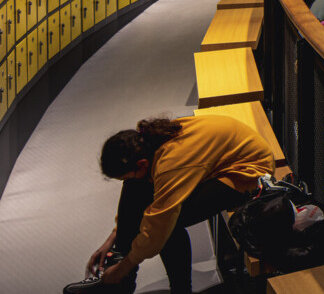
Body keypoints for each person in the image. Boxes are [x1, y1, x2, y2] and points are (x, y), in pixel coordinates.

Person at [64, 115, 275, 294]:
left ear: (142, 164)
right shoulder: (148, 142)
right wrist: (112, 239)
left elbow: (159, 224)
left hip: (249, 172)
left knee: (169, 224)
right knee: (134, 187)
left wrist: (124, 266)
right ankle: (120, 283)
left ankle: (176, 289)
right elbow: (137, 202)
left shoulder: (169, 165)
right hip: (222, 162)